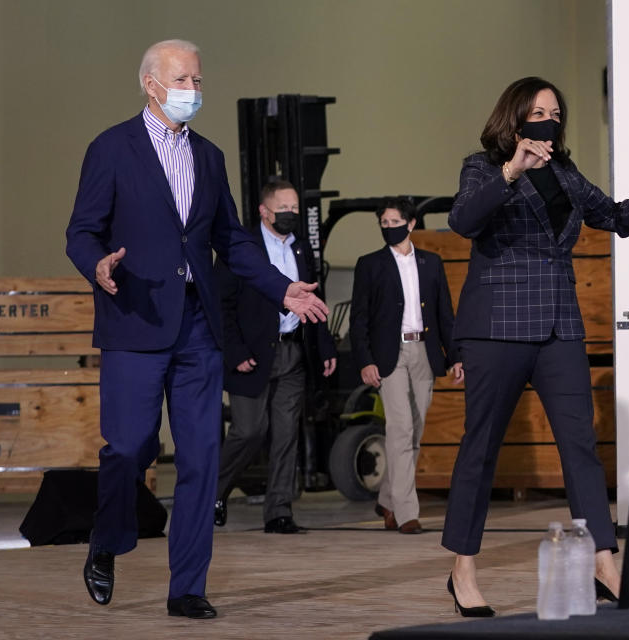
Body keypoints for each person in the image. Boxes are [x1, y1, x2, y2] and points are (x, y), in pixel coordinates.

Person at [65, 39, 328, 619]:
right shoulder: (111, 148)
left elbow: (231, 239)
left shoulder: (208, 157)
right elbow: (81, 232)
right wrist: (98, 265)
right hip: (134, 318)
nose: (193, 91)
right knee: (131, 448)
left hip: (198, 328)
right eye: (183, 80)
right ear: (150, 85)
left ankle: (187, 586)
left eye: (199, 81)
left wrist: (280, 287)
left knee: (202, 458)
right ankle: (107, 541)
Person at [440, 76, 629, 617]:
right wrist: (512, 169)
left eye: (555, 112)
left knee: (581, 447)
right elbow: (463, 220)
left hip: (558, 327)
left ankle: (604, 564)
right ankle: (462, 569)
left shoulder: (566, 173)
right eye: (538, 111)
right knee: (481, 450)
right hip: (497, 326)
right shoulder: (483, 166)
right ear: (516, 117)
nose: (548, 120)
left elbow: (613, 218)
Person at [213, 179, 338, 535]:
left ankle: (279, 510)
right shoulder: (241, 249)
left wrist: (324, 344)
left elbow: (313, 298)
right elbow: (223, 305)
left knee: (286, 434)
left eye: (296, 208)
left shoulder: (303, 250)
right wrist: (234, 352)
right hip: (251, 354)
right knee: (250, 430)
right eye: (284, 208)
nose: (291, 214)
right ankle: (212, 493)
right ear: (264, 211)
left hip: (293, 351)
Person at [349, 197, 463, 534]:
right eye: (383, 224)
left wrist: (455, 355)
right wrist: (365, 361)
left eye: (394, 222)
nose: (389, 228)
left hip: (424, 352)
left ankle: (386, 498)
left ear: (411, 224)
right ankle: (406, 512)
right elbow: (359, 319)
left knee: (416, 429)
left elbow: (446, 314)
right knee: (400, 429)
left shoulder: (431, 262)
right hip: (389, 356)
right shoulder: (369, 264)